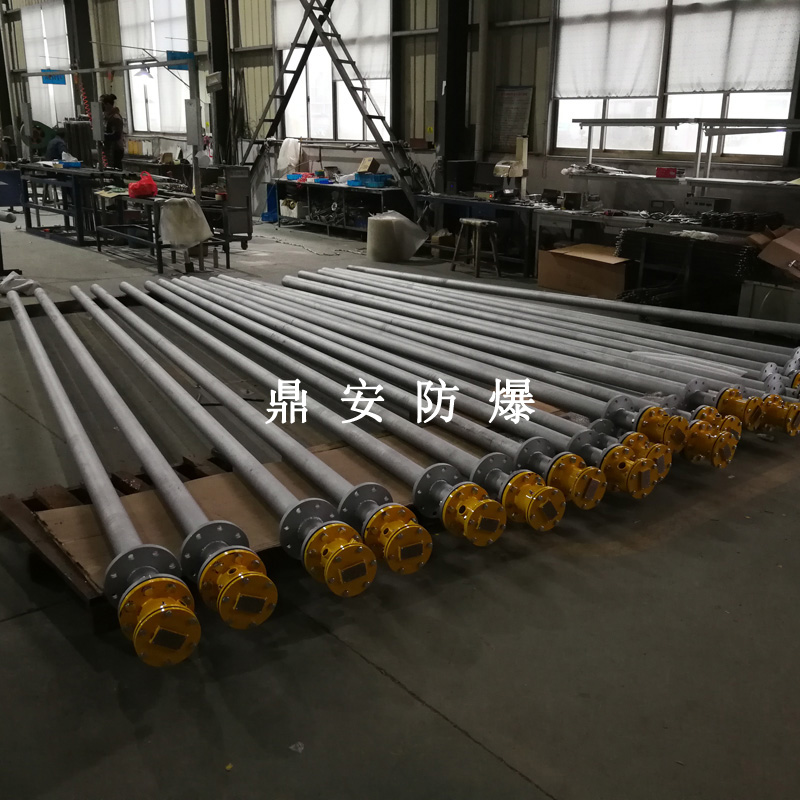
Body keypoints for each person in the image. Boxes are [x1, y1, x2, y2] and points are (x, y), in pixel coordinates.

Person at [101, 93, 124, 169]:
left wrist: (102, 135)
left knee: (115, 170)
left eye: (102, 104)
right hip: (108, 149)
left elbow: (116, 135)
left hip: (115, 150)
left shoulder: (115, 118)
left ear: (108, 104)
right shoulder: (106, 117)